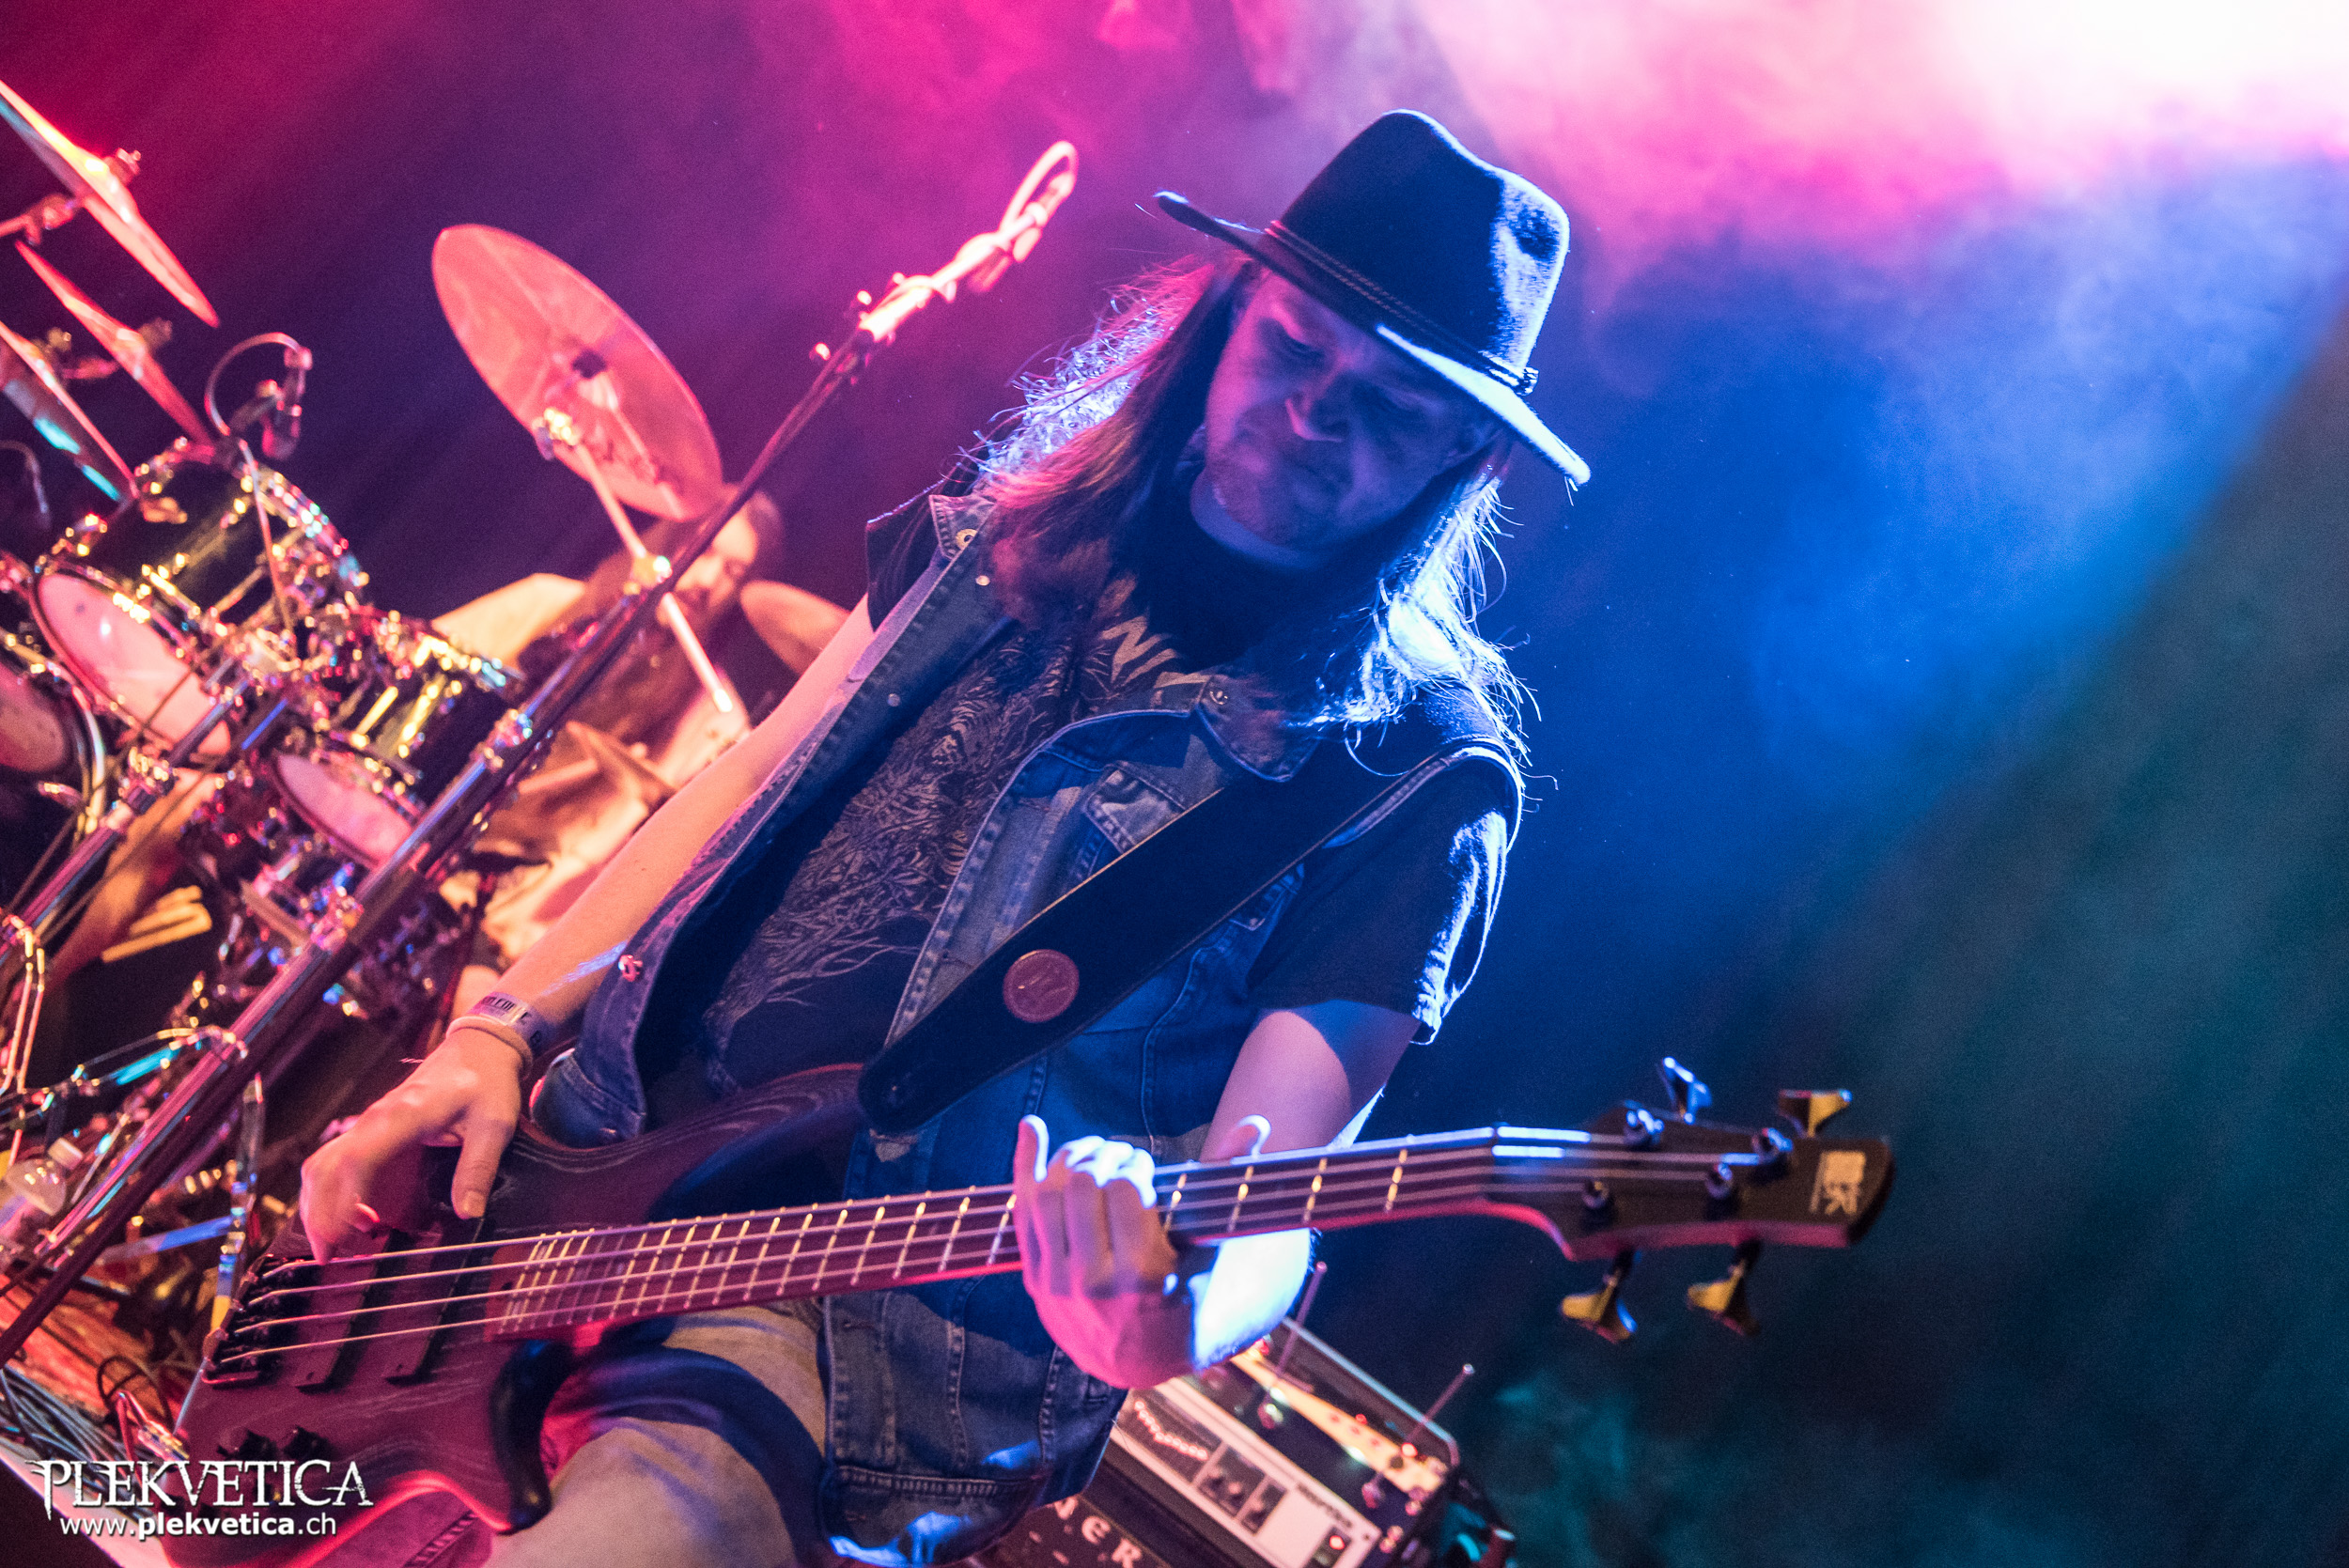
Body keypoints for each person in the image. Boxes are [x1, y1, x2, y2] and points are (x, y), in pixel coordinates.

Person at [298, 111, 1588, 1568]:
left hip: (842, 1341)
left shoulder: (1410, 774)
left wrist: (1164, 1321)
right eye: (1298, 347)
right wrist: (498, 1028)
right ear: (1228, 314)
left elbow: (1272, 1197)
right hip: (580, 1175)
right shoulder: (1003, 533)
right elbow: (745, 785)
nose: (1317, 417)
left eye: (1395, 407)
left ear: (1466, 454)